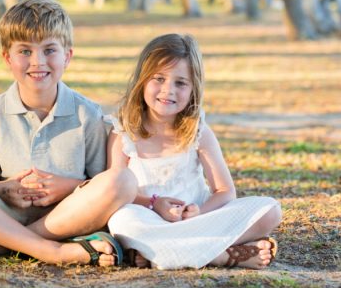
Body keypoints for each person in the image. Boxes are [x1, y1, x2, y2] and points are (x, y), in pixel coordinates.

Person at [0, 0, 136, 266]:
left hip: (67, 215)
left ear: (67, 56)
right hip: (5, 213)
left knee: (123, 180)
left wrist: (65, 187)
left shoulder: (87, 114)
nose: (37, 62)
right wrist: (4, 189)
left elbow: (99, 181)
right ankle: (52, 251)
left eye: (49, 50)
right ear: (7, 58)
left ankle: (0, 243)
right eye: (25, 51)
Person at [105, 33, 281, 269]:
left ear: (193, 89)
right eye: (158, 79)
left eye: (180, 83)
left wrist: (199, 212)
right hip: (147, 219)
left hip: (199, 220)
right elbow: (115, 193)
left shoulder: (198, 132)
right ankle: (221, 256)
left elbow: (225, 190)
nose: (168, 90)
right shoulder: (123, 132)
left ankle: (160, 255)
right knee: (123, 221)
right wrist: (153, 204)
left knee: (269, 210)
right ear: (142, 81)